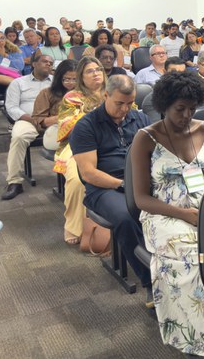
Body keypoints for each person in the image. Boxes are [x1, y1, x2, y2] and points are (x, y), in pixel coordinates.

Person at [131, 72, 204, 356]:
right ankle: (202, 338)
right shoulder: (146, 139)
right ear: (164, 105)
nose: (187, 115)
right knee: (195, 255)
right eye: (180, 109)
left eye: (192, 108)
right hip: (164, 212)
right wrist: (182, 213)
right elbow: (141, 198)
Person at [71, 75, 151, 294]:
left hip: (138, 180)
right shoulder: (86, 126)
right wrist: (125, 184)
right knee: (126, 217)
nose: (125, 109)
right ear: (105, 96)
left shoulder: (140, 119)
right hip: (104, 188)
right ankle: (151, 282)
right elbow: (89, 173)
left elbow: (157, 153)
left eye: (130, 103)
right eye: (119, 103)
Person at [56, 57, 107, 244]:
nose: (95, 73)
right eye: (89, 71)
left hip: (112, 141)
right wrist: (96, 114)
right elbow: (66, 124)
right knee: (78, 179)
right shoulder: (72, 97)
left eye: (98, 69)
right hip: (79, 143)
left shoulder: (113, 91)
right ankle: (73, 225)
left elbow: (131, 113)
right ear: (81, 77)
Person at [1, 54, 53, 200]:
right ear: (34, 64)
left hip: (53, 120)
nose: (48, 64)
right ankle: (15, 182)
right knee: (18, 137)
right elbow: (11, 107)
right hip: (28, 120)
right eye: (44, 61)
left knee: (79, 134)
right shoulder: (18, 83)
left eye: (50, 62)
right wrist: (32, 119)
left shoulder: (56, 82)